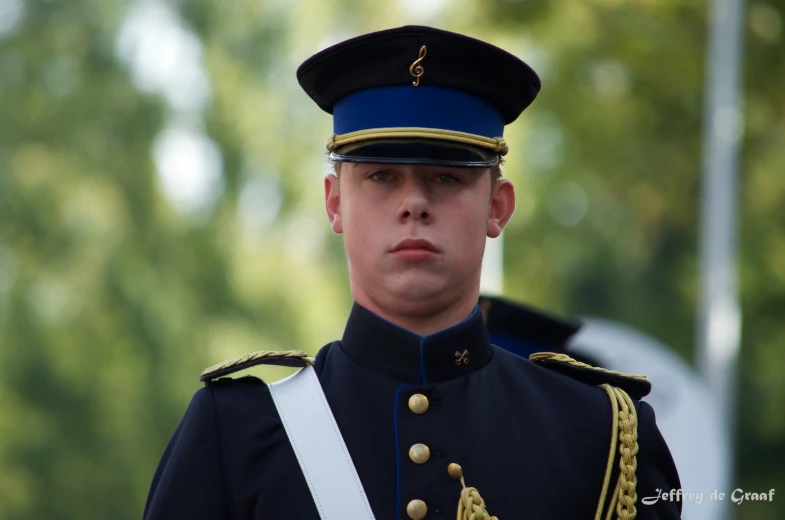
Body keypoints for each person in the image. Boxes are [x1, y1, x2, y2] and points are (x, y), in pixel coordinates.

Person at [142, 26, 682, 519]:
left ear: (498, 206)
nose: (414, 204)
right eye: (381, 176)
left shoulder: (601, 435)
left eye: (447, 178)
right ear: (334, 203)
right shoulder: (235, 433)